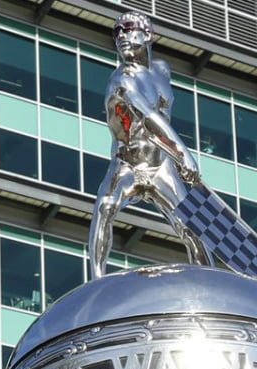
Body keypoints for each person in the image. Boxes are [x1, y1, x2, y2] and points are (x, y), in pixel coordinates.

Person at [87, 11, 212, 278]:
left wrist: (175, 159)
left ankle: (208, 280)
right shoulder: (121, 81)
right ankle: (97, 281)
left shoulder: (161, 71)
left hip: (160, 165)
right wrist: (183, 154)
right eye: (117, 32)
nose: (121, 36)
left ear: (148, 35)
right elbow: (147, 118)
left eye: (129, 29)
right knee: (105, 208)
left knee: (192, 227)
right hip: (127, 163)